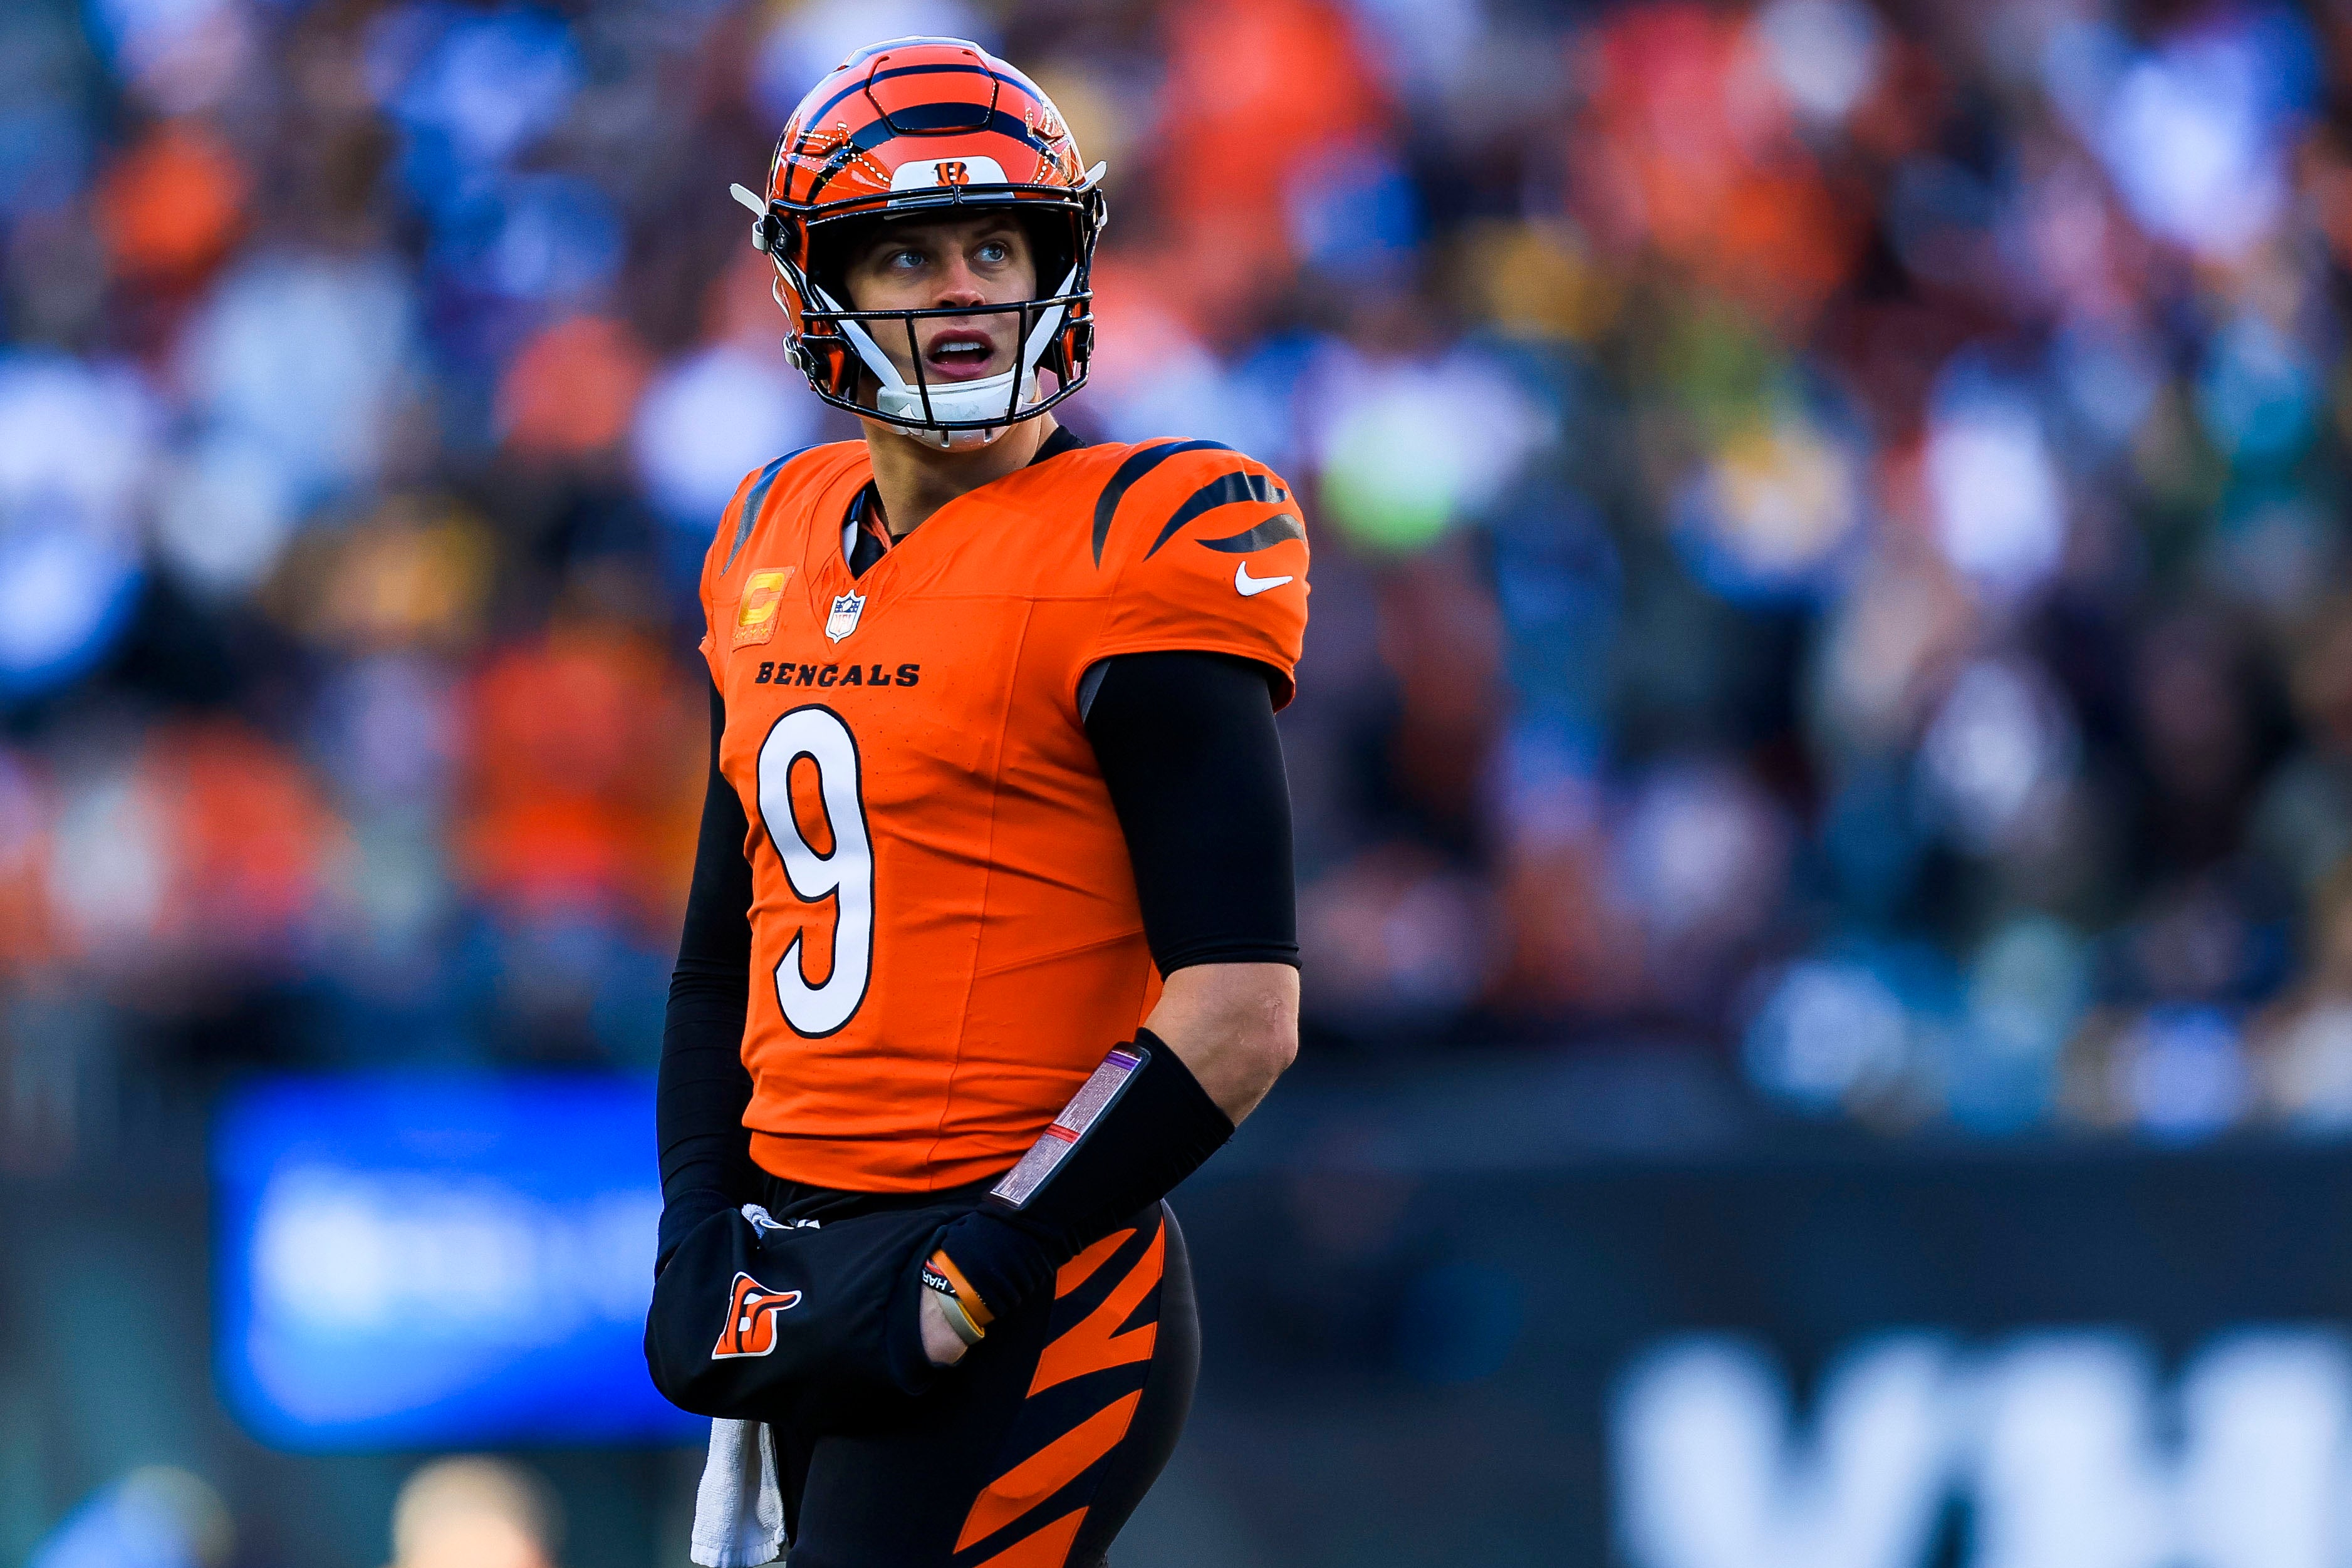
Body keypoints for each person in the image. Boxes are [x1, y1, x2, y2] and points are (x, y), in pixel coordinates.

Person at [645, 36, 1310, 1568]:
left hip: (1031, 1279)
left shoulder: (1147, 535)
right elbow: (717, 956)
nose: (960, 287)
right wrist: (699, 1234)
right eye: (910, 252)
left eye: (994, 243)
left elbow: (1240, 1004)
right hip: (809, 1264)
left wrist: (985, 1260)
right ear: (818, 286)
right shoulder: (768, 530)